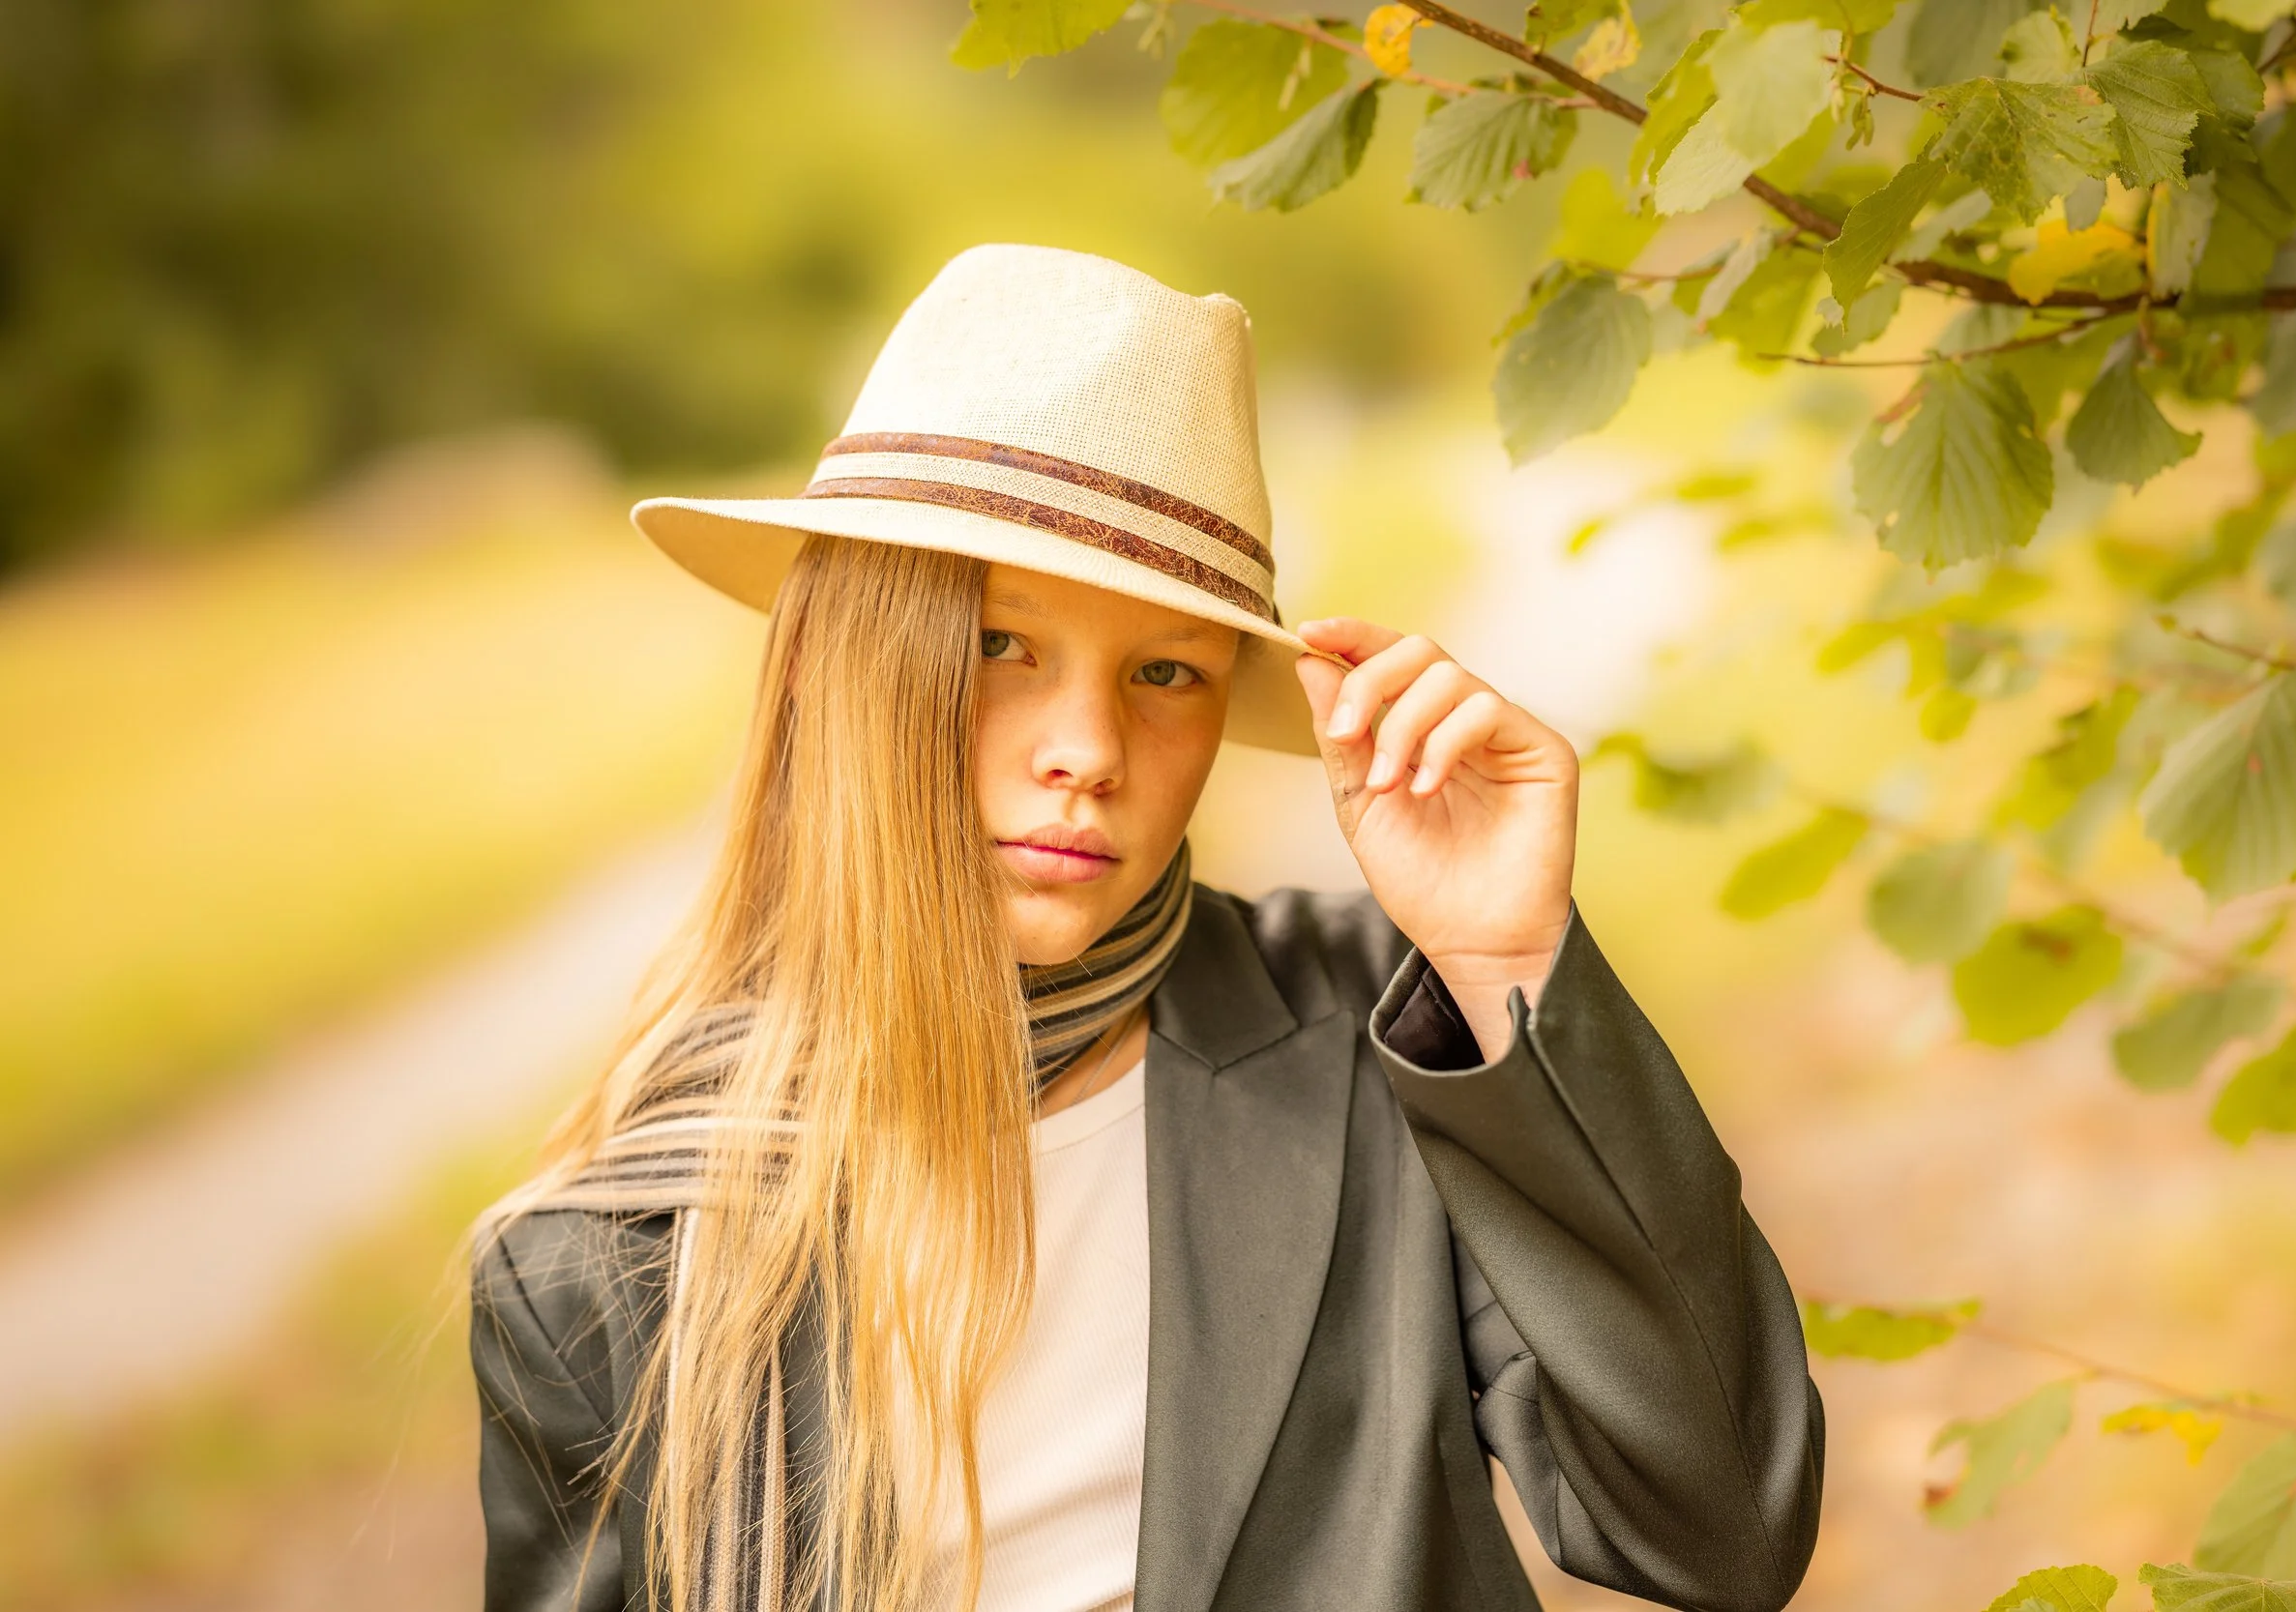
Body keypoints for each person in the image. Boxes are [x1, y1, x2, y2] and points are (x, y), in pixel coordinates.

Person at [467, 241, 1823, 1612]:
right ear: (840, 665)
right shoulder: (606, 1256)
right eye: (1003, 644)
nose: (1089, 750)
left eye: (1166, 669)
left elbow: (1720, 1528)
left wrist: (1507, 961)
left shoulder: (1383, 1041)